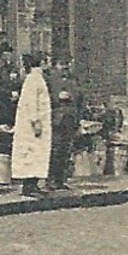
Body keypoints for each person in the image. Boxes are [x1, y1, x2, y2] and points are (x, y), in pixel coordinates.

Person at [11, 53, 52, 197]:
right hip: (32, 125)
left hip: (40, 123)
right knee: (31, 153)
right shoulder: (33, 79)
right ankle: (29, 186)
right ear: (41, 63)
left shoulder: (38, 78)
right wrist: (35, 122)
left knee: (38, 153)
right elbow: (31, 102)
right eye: (47, 61)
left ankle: (34, 184)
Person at [47, 59, 80, 191]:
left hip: (70, 118)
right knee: (55, 149)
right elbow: (46, 98)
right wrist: (57, 97)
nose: (64, 67)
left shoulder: (73, 81)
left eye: (66, 64)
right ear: (55, 66)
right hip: (57, 118)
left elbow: (79, 98)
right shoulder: (50, 81)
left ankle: (61, 179)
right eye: (61, 64)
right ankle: (51, 179)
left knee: (66, 150)